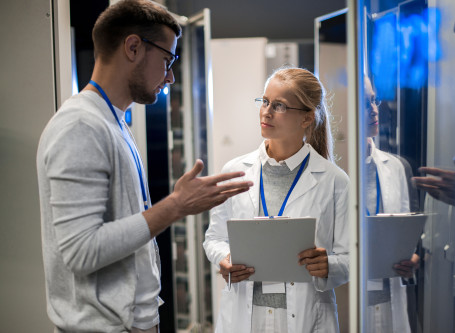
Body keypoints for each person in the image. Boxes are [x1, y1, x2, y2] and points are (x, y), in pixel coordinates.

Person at [36, 1, 252, 332]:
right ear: (134, 47)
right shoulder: (80, 127)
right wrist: (175, 206)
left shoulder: (113, 122)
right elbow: (81, 251)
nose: (170, 76)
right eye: (167, 60)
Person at [203, 67, 350, 333]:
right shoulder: (234, 170)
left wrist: (329, 264)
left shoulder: (334, 180)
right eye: (265, 101)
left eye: (279, 106)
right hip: (245, 316)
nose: (266, 112)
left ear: (307, 118)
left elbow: (352, 256)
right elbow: (213, 238)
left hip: (305, 317)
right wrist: (225, 258)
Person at [363, 77, 419, 333]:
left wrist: (413, 258)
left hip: (389, 301)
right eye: (364, 103)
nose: (374, 109)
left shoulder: (396, 167)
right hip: (348, 301)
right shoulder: (326, 173)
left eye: (374, 100)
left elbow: (408, 234)